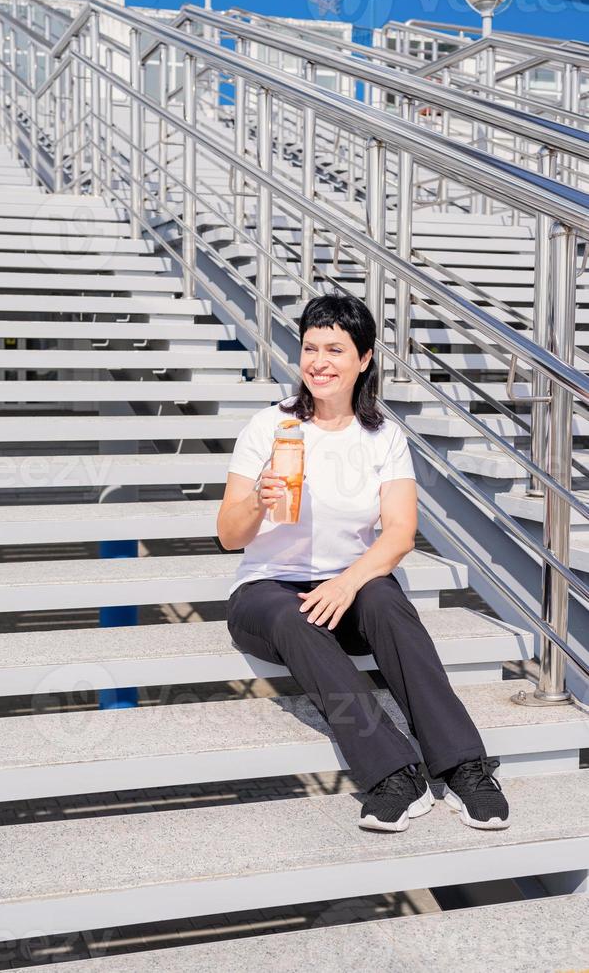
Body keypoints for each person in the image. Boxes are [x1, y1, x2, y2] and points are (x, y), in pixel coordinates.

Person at [217, 293, 509, 833]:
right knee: (291, 616)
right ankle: (393, 774)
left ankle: (465, 766)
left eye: (335, 348)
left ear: (365, 359)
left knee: (386, 602)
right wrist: (259, 497)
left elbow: (399, 532)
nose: (318, 361)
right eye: (310, 347)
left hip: (348, 589)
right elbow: (229, 536)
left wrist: (348, 582)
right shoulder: (270, 427)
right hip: (267, 593)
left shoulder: (383, 436)